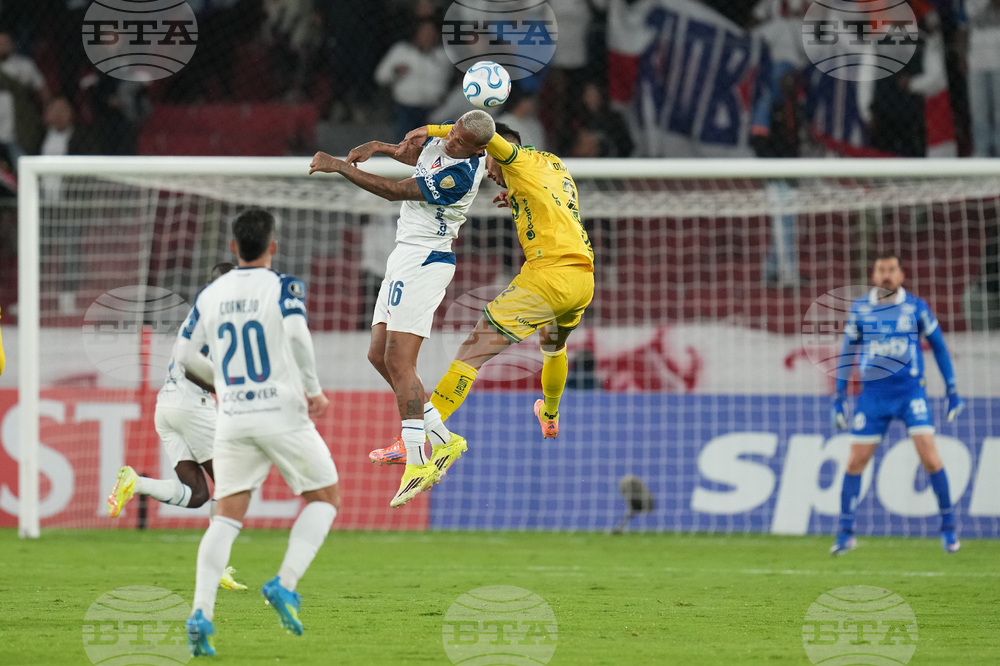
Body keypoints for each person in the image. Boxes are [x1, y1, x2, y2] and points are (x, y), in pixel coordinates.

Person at [308, 109, 491, 508]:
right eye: (452, 134)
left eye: (460, 143)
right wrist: (380, 146)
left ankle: (416, 461)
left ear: (479, 149)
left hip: (428, 259)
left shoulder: (459, 177)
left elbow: (395, 192)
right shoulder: (444, 143)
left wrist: (339, 166)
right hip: (403, 256)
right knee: (377, 354)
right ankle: (444, 438)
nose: (451, 143)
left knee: (398, 358)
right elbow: (416, 153)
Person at [179, 210, 340, 655]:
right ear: (273, 245)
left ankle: (200, 613)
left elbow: (184, 352)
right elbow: (295, 334)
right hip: (281, 413)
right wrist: (313, 390)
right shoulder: (283, 286)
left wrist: (224, 383)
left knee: (226, 516)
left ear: (233, 247)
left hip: (233, 418)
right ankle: (284, 584)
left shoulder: (210, 294)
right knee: (325, 500)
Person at [382, 121, 594, 459]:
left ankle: (418, 443)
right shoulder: (552, 163)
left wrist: (433, 129)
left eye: (489, 161)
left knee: (471, 353)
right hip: (582, 280)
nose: (488, 170)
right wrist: (517, 193)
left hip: (547, 278)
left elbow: (480, 127)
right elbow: (551, 199)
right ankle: (550, 415)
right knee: (554, 347)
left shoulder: (513, 158)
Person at [107, 262, 244, 590]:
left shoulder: (199, 312)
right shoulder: (219, 314)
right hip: (191, 405)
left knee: (198, 494)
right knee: (228, 485)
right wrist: (224, 386)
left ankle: (135, 483)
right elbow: (191, 365)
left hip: (166, 406)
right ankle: (218, 565)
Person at [830, 253, 965, 555]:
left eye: (891, 270)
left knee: (930, 458)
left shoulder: (915, 308)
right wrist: (839, 398)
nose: (886, 275)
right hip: (873, 396)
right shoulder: (860, 309)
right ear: (874, 275)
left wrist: (952, 389)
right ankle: (845, 533)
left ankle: (948, 530)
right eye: (881, 270)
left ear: (901, 275)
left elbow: (940, 347)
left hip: (910, 394)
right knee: (855, 462)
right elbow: (847, 353)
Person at [374, 19, 452, 141]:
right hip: (406, 109)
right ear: (416, 33)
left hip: (434, 109)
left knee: (433, 148)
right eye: (424, 32)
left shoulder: (444, 55)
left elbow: (451, 80)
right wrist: (395, 71)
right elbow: (380, 77)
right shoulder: (401, 51)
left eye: (431, 33)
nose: (428, 36)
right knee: (404, 145)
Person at [967, 0, 1000, 156]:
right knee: (979, 113)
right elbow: (963, 24)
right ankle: (982, 155)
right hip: (976, 60)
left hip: (998, 58)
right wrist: (963, 55)